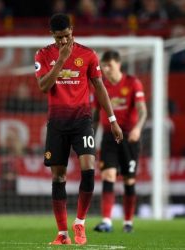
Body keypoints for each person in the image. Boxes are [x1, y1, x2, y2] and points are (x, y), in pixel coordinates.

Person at [34, 13, 123, 245]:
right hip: (57, 124)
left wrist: (112, 119)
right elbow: (43, 86)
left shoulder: (88, 54)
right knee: (59, 176)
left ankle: (80, 223)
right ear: (51, 34)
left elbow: (100, 87)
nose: (63, 41)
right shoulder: (43, 55)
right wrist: (61, 61)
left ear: (72, 30)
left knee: (88, 168)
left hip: (82, 121)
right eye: (59, 37)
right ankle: (62, 234)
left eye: (66, 36)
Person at [92, 50, 147, 233]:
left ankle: (128, 222)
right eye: (104, 66)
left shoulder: (132, 83)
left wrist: (138, 128)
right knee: (108, 175)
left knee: (129, 180)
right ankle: (106, 221)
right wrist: (90, 139)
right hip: (109, 137)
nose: (106, 69)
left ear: (119, 64)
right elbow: (94, 116)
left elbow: (142, 110)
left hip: (129, 137)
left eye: (110, 65)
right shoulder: (101, 86)